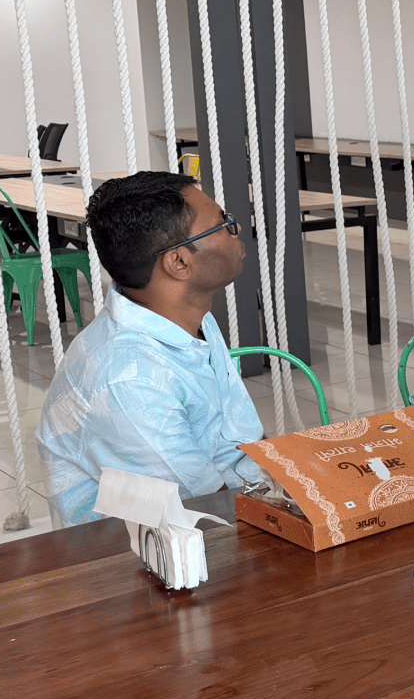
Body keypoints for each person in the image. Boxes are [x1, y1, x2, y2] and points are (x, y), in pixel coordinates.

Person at [37, 171, 265, 526]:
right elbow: (206, 509)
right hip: (150, 555)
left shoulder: (188, 316)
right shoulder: (130, 379)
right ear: (179, 263)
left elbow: (235, 439)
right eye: (223, 224)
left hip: (222, 509)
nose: (235, 231)